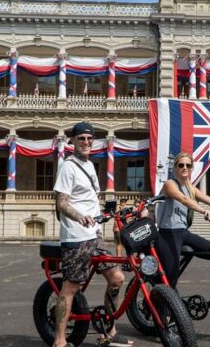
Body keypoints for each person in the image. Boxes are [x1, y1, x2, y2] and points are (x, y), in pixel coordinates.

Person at [53, 122, 133, 347]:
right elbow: (62, 202)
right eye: (81, 139)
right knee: (70, 287)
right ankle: (59, 341)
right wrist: (79, 216)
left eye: (89, 138)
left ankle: (109, 331)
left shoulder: (89, 165)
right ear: (73, 141)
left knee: (117, 278)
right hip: (76, 237)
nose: (86, 142)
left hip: (94, 235)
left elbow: (88, 199)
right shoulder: (68, 167)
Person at [155, 152, 210, 315]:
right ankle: (162, 319)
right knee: (170, 278)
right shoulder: (169, 184)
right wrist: (204, 211)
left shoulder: (190, 188)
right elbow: (184, 200)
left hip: (183, 233)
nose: (185, 168)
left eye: (188, 165)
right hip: (168, 234)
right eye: (181, 165)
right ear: (175, 168)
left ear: (192, 168)